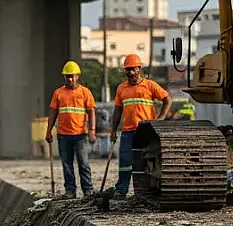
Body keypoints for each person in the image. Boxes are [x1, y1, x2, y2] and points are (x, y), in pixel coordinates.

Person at [110, 54, 173, 196]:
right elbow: (118, 110)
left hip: (145, 131)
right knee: (125, 162)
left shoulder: (150, 85)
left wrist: (161, 118)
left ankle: (146, 191)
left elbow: (167, 99)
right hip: (127, 132)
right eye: (128, 69)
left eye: (133, 69)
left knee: (146, 161)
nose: (131, 72)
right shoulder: (121, 88)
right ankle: (121, 190)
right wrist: (113, 131)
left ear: (139, 69)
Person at [45, 61, 96, 198]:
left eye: (72, 76)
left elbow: (91, 112)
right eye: (67, 76)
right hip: (63, 135)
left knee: (83, 164)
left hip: (81, 135)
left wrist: (92, 130)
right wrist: (48, 131)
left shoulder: (85, 92)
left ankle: (88, 190)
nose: (70, 79)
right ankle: (70, 190)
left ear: (77, 76)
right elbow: (53, 113)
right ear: (64, 77)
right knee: (67, 165)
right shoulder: (58, 93)